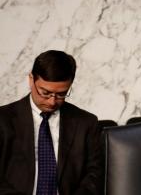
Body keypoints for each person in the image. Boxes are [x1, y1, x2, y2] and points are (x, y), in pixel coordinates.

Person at [0, 50, 103, 195]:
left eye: (61, 94)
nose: (52, 101)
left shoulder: (86, 123)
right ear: (31, 80)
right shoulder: (3, 120)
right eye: (45, 93)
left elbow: (94, 175)